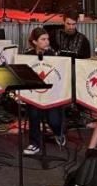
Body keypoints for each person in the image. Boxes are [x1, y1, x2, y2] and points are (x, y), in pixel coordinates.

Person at [23, 27, 66, 156]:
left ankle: (59, 133)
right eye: (43, 39)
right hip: (34, 93)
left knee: (53, 121)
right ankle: (34, 143)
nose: (47, 42)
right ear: (35, 42)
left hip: (52, 94)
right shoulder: (27, 56)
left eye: (47, 39)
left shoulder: (53, 56)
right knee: (34, 115)